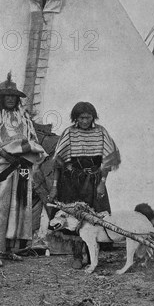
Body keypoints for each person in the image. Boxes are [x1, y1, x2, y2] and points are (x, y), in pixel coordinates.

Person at [0, 72, 46, 267]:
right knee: (0, 205)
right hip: (2, 166)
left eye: (14, 96)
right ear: (0, 97)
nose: (11, 99)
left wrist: (29, 152)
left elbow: (30, 137)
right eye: (7, 96)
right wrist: (4, 154)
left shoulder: (22, 115)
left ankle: (10, 249)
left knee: (21, 204)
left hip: (22, 166)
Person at [48, 101, 121, 268]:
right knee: (72, 216)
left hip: (94, 181)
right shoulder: (69, 133)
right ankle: (77, 256)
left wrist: (102, 182)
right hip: (71, 182)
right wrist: (54, 186)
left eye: (88, 118)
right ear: (76, 118)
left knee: (94, 217)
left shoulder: (101, 132)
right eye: (81, 118)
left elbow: (108, 160)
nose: (85, 121)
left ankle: (90, 255)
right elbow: (58, 163)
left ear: (93, 117)